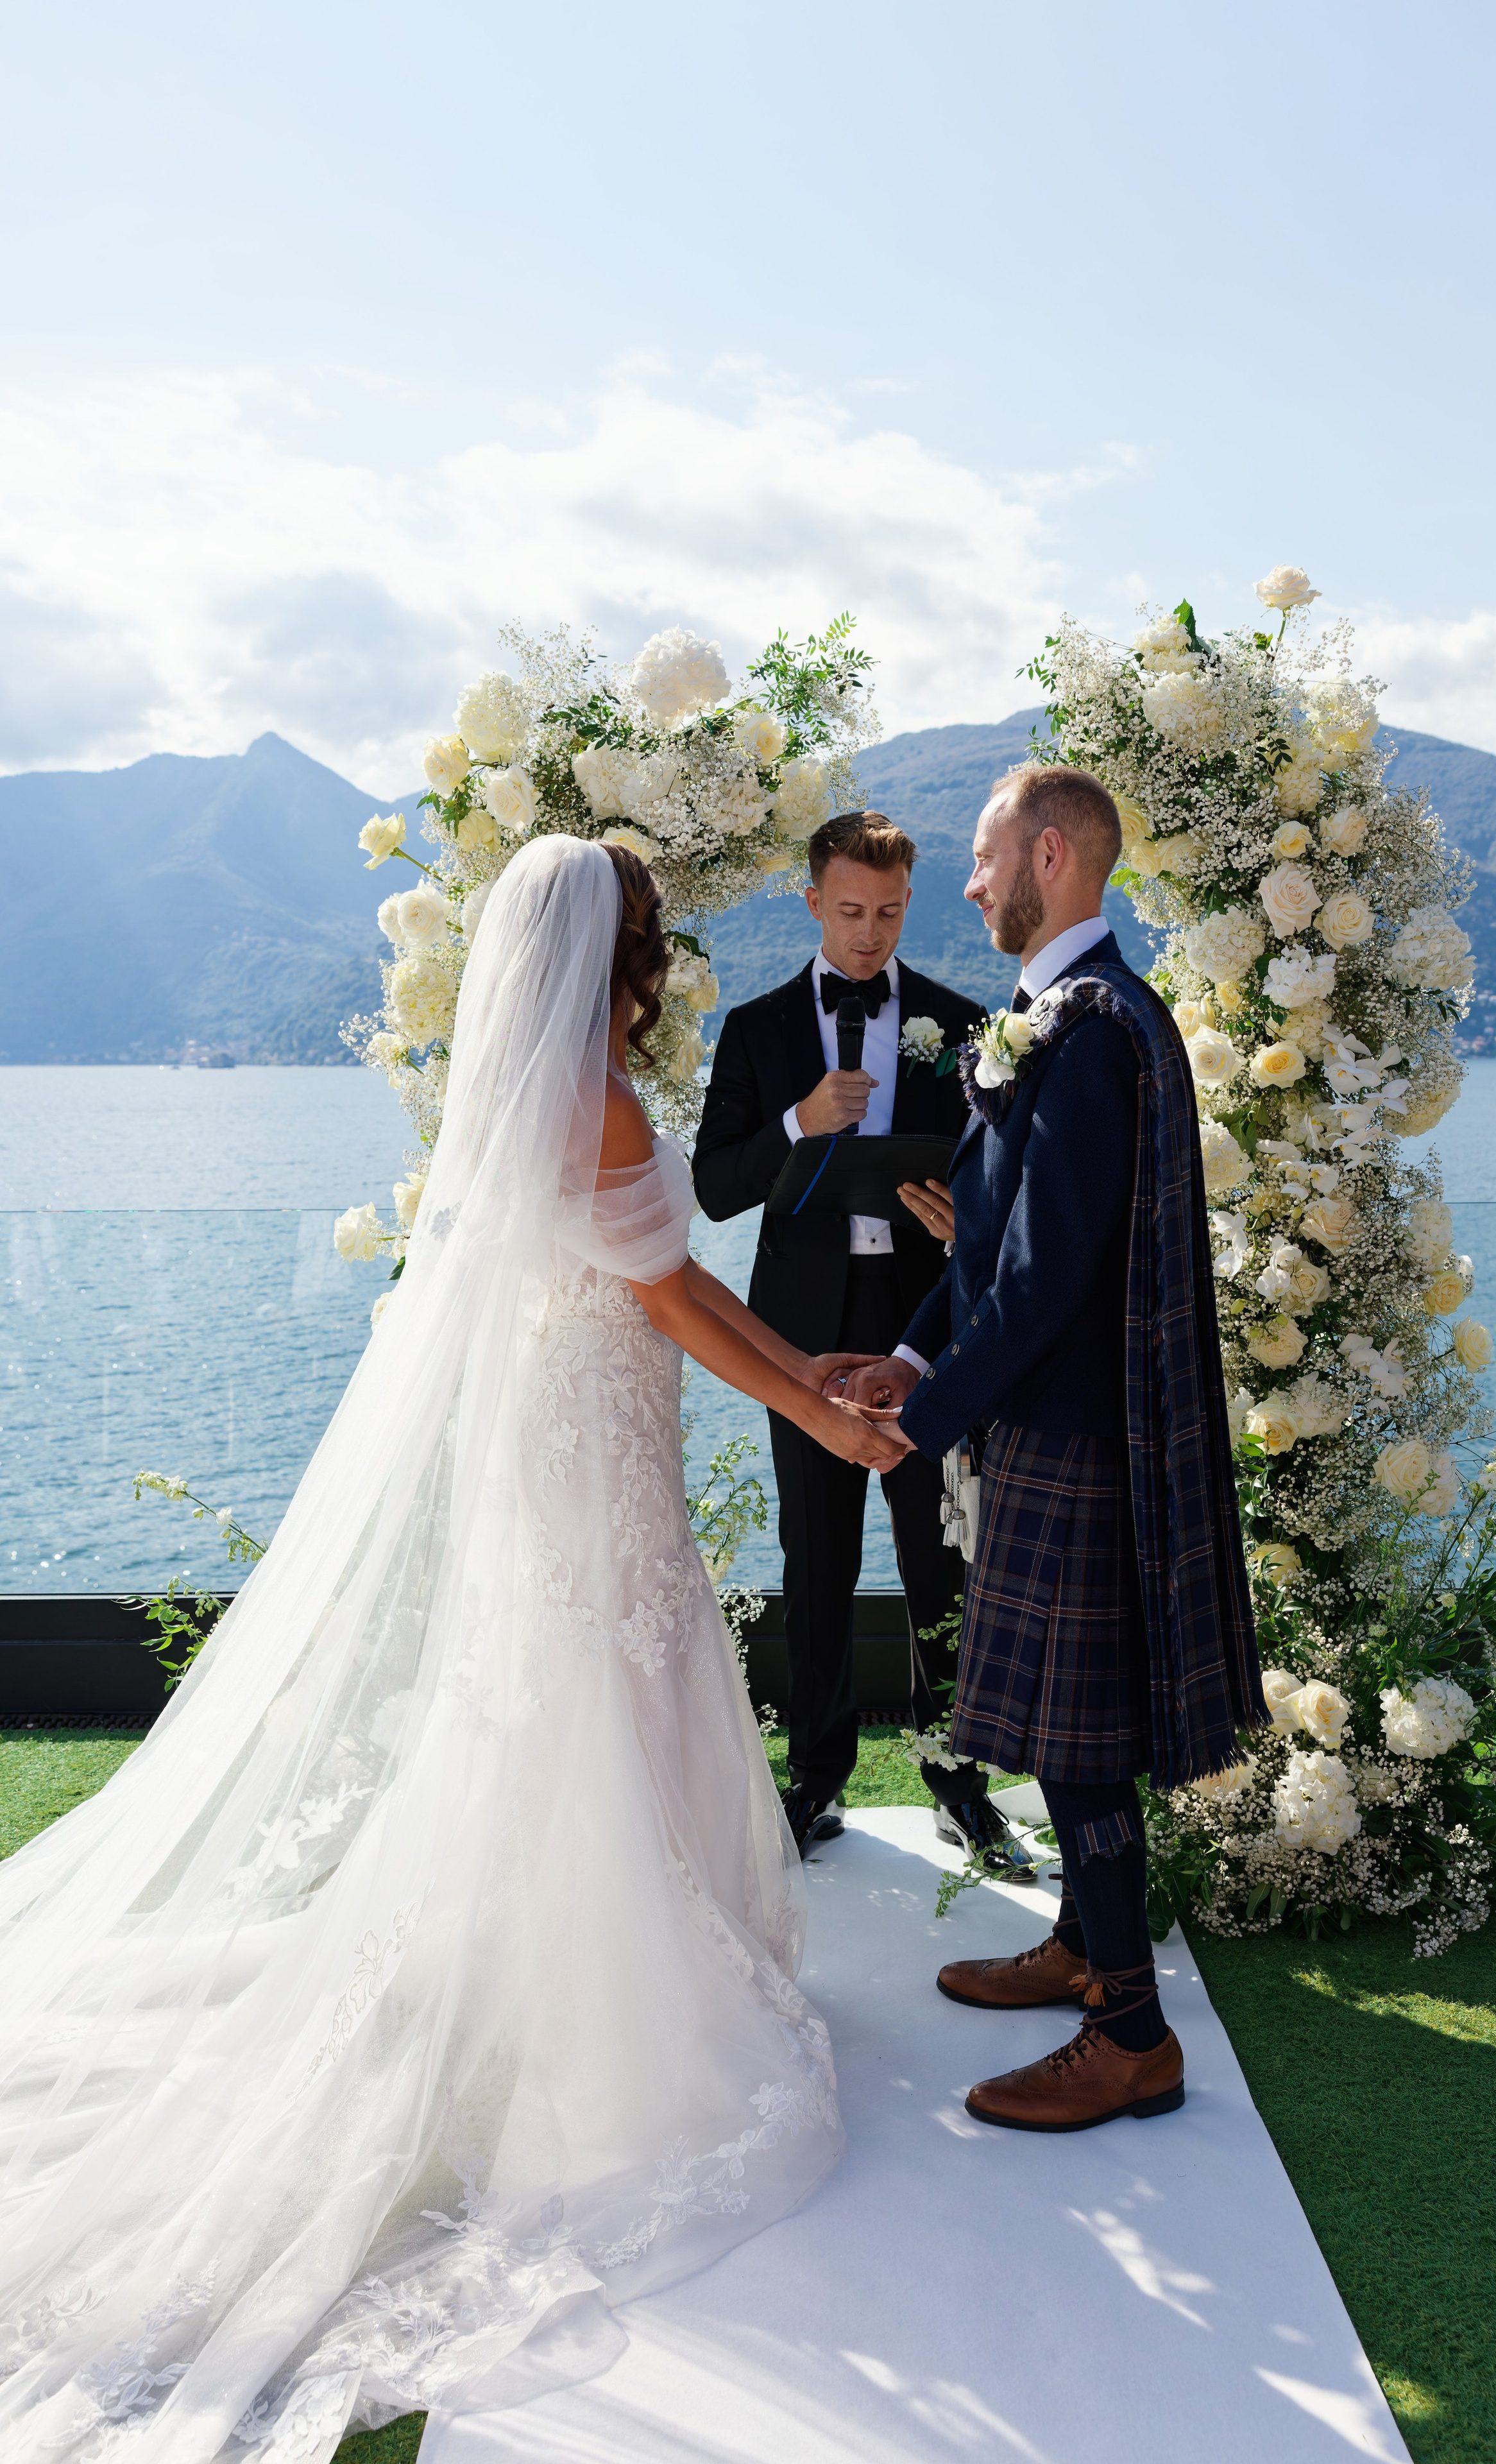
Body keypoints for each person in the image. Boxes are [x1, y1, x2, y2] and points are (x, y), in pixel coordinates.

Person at [0, 836, 902, 2456]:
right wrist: (813, 1413)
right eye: (654, 942)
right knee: (608, 1686)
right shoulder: (608, 1106)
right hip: (598, 1440)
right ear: (614, 956)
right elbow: (674, 1302)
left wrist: (809, 1365)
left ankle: (523, 1968)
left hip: (557, 1437)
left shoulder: (513, 1101)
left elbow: (672, 1282)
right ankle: (603, 2020)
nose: (667, 965)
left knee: (554, 1693)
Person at [839, 766, 1265, 2132]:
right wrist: (906, 1356)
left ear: (1048, 853)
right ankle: (1083, 1946)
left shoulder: (1089, 1029)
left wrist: (915, 1421)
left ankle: (1129, 2031)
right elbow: (986, 1234)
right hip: (1046, 1414)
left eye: (976, 859)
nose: (965, 888)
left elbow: (1044, 1283)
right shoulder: (1056, 1020)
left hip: (1074, 1426)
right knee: (1061, 1726)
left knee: (1080, 1740)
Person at [693, 811, 1032, 1878]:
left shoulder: (961, 1019)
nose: (869, 934)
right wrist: (797, 1122)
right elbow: (709, 1188)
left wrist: (962, 1220)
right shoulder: (754, 1031)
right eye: (849, 912)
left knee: (945, 1564)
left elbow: (1004, 1191)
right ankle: (815, 1780)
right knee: (817, 1558)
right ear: (811, 903)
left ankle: (961, 1785)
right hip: (797, 1334)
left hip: (927, 1327)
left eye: (888, 914)